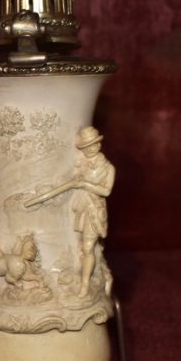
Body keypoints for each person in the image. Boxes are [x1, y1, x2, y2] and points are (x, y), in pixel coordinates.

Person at [70, 127, 115, 297]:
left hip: (94, 210)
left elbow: (106, 191)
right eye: (86, 146)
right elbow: (74, 179)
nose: (90, 149)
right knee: (82, 245)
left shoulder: (108, 168)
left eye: (93, 144)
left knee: (88, 247)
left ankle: (85, 284)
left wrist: (86, 184)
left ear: (99, 145)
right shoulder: (81, 164)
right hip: (81, 208)